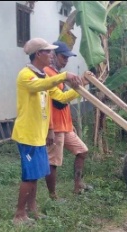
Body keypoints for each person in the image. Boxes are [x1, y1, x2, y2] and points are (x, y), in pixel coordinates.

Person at [11, 38, 83, 225]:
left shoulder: (43, 76)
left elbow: (61, 97)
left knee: (36, 174)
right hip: (28, 135)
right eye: (48, 52)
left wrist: (79, 88)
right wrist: (63, 76)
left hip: (39, 135)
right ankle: (19, 215)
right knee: (30, 175)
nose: (51, 55)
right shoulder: (26, 75)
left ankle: (32, 210)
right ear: (38, 54)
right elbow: (39, 86)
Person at [44, 41, 90, 200]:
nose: (66, 60)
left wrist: (70, 125)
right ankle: (53, 196)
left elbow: (64, 104)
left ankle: (78, 185)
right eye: (63, 57)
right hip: (55, 126)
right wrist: (80, 87)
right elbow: (59, 101)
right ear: (53, 56)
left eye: (67, 58)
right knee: (54, 161)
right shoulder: (48, 73)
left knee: (82, 151)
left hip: (65, 125)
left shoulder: (58, 75)